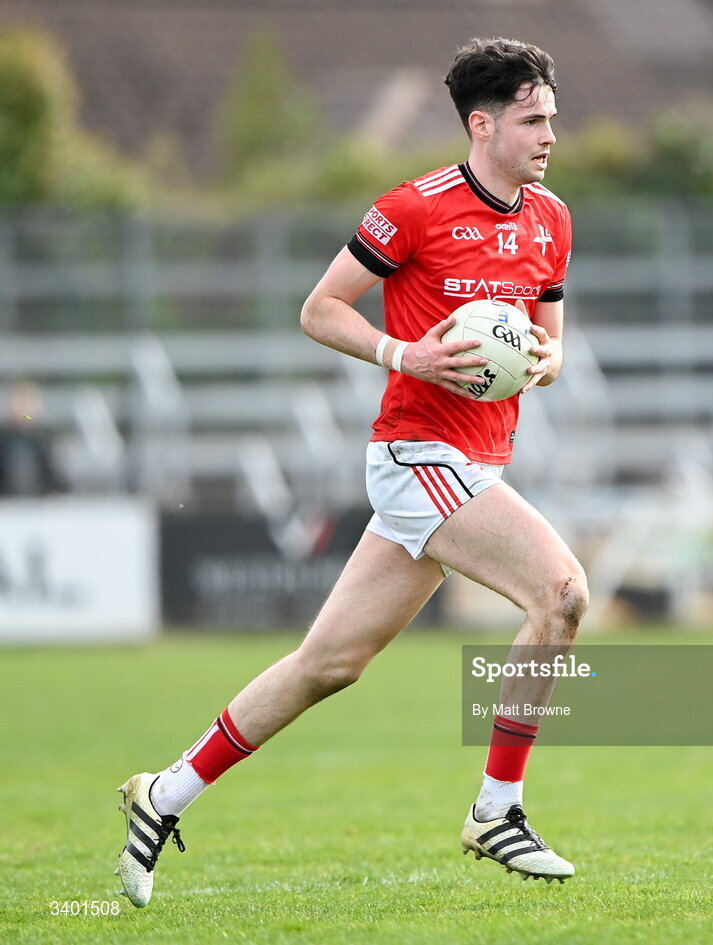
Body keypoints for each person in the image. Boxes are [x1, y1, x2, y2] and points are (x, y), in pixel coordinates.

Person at [115, 37, 588, 907]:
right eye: (532, 120)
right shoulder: (412, 209)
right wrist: (403, 352)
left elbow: (553, 347)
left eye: (551, 118)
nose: (549, 134)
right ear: (482, 126)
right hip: (418, 455)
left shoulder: (551, 219)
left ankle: (164, 792)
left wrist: (530, 360)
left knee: (327, 664)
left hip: (476, 460)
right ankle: (498, 808)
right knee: (560, 592)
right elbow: (318, 308)